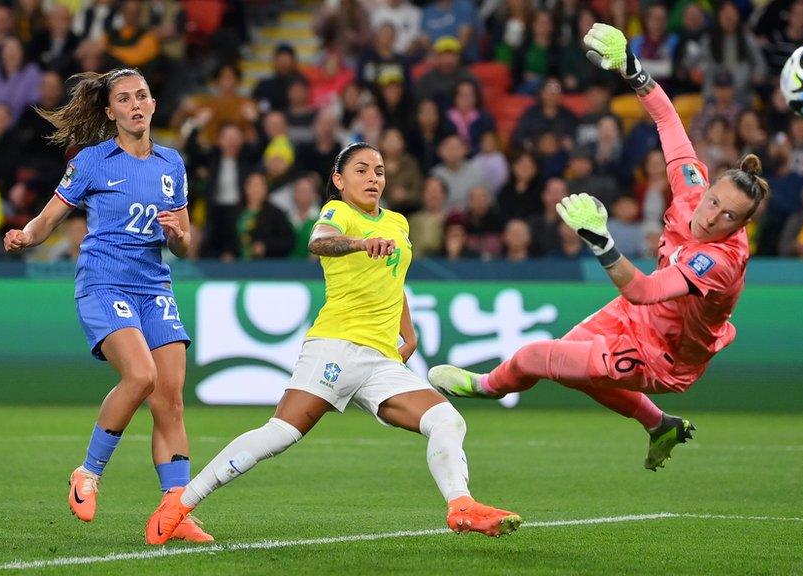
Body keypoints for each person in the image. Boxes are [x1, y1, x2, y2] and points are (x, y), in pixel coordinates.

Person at [429, 24, 770, 472]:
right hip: (638, 318)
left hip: (666, 354)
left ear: (743, 225)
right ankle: (658, 423)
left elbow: (644, 290)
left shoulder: (720, 261)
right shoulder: (692, 191)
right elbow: (668, 121)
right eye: (713, 201)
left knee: (539, 356)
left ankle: (488, 386)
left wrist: (602, 241)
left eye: (729, 216)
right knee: (577, 369)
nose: (711, 216)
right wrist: (633, 69)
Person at [145, 142, 521, 544]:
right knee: (280, 433)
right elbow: (318, 241)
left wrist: (407, 333)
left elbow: (393, 280)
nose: (372, 177)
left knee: (447, 420)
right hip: (337, 347)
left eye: (378, 170)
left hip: (380, 360)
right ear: (339, 180)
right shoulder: (338, 213)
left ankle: (461, 505)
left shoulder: (397, 222)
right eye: (360, 170)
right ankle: (179, 505)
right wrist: (360, 243)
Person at [1, 68, 210, 542]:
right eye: (125, 99)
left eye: (142, 96)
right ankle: (88, 474)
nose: (136, 105)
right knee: (141, 376)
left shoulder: (171, 164)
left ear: (154, 104)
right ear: (111, 111)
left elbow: (183, 243)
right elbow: (50, 216)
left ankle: (173, 514)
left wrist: (179, 237)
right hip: (104, 284)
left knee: (171, 400)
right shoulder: (94, 161)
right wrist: (26, 235)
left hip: (155, 287)